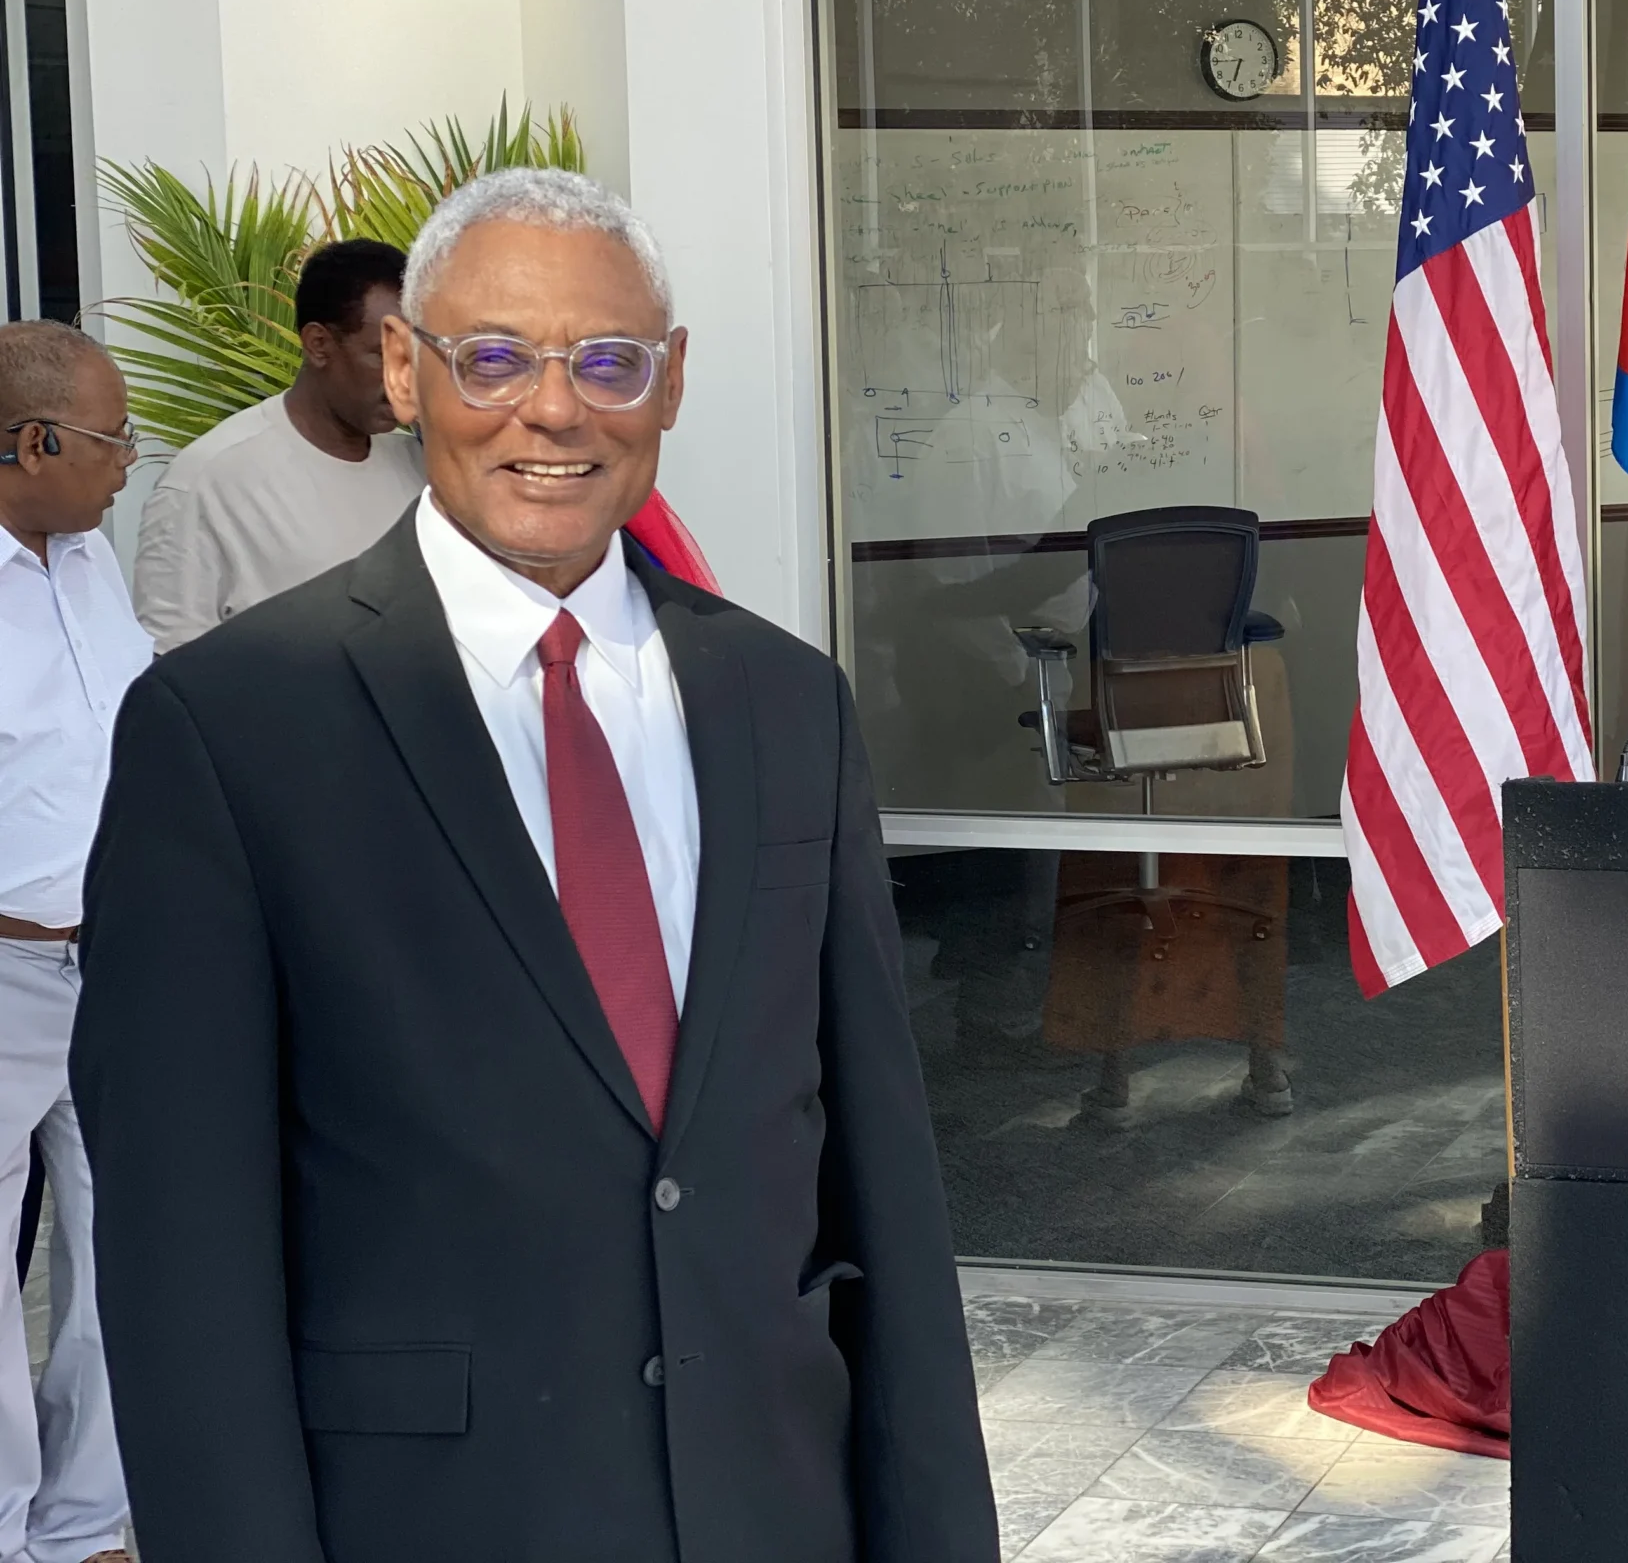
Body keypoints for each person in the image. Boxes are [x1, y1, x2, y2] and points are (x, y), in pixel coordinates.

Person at [74, 170, 997, 1563]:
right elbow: (181, 1263)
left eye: (607, 362)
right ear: (403, 366)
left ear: (669, 383)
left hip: (770, 1502)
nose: (553, 410)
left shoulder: (784, 700)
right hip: (434, 1519)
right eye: (493, 356)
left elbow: (879, 1179)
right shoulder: (232, 727)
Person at [0, 320, 143, 1563]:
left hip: (124, 963)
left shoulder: (89, 558)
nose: (128, 462)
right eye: (112, 439)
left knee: (127, 1242)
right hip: (3, 969)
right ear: (33, 441)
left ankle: (88, 1524)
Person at [131, 238, 424, 651]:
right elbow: (170, 665)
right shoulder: (206, 481)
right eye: (382, 356)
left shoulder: (417, 464)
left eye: (415, 358)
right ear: (319, 344)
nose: (404, 380)